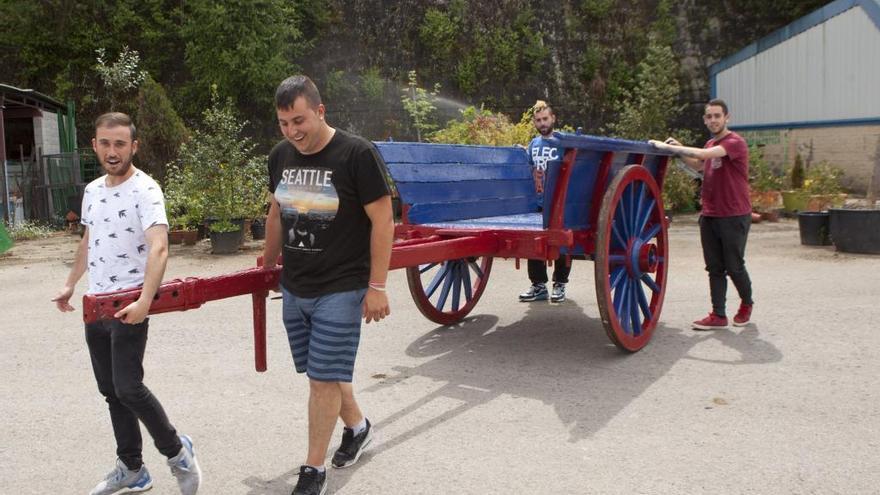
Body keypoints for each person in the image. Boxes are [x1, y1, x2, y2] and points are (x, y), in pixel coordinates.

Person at [52, 112, 201, 494]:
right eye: (105, 143)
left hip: (128, 303)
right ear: (95, 145)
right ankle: (133, 468)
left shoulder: (146, 190)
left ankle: (176, 452)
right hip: (95, 304)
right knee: (110, 390)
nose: (112, 151)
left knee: (129, 387)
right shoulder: (92, 190)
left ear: (134, 146)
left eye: (120, 144)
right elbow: (89, 241)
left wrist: (144, 302)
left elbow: (160, 247)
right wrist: (71, 284)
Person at [262, 75, 394, 495]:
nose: (292, 131)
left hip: (342, 286)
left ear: (320, 111)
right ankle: (358, 427)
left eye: (299, 120)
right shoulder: (280, 155)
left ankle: (313, 471)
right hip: (295, 285)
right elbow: (275, 214)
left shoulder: (357, 154)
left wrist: (377, 285)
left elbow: (383, 221)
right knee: (322, 372)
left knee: (322, 380)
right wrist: (266, 266)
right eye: (284, 123)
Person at [649, 98, 754, 330]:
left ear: (727, 118)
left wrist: (671, 147)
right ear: (705, 119)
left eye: (718, 116)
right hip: (710, 214)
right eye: (710, 116)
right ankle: (718, 315)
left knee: (734, 266)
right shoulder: (709, 144)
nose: (713, 120)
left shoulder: (734, 142)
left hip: (734, 214)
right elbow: (698, 164)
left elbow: (705, 156)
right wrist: (678, 151)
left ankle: (746, 303)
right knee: (714, 267)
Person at [519, 100, 572, 303]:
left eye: (545, 119)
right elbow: (529, 167)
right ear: (535, 122)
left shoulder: (563, 143)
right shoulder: (533, 144)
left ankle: (560, 284)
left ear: (553, 119)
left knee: (560, 241)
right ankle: (539, 285)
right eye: (538, 120)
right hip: (539, 201)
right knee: (534, 241)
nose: (542, 123)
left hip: (560, 202)